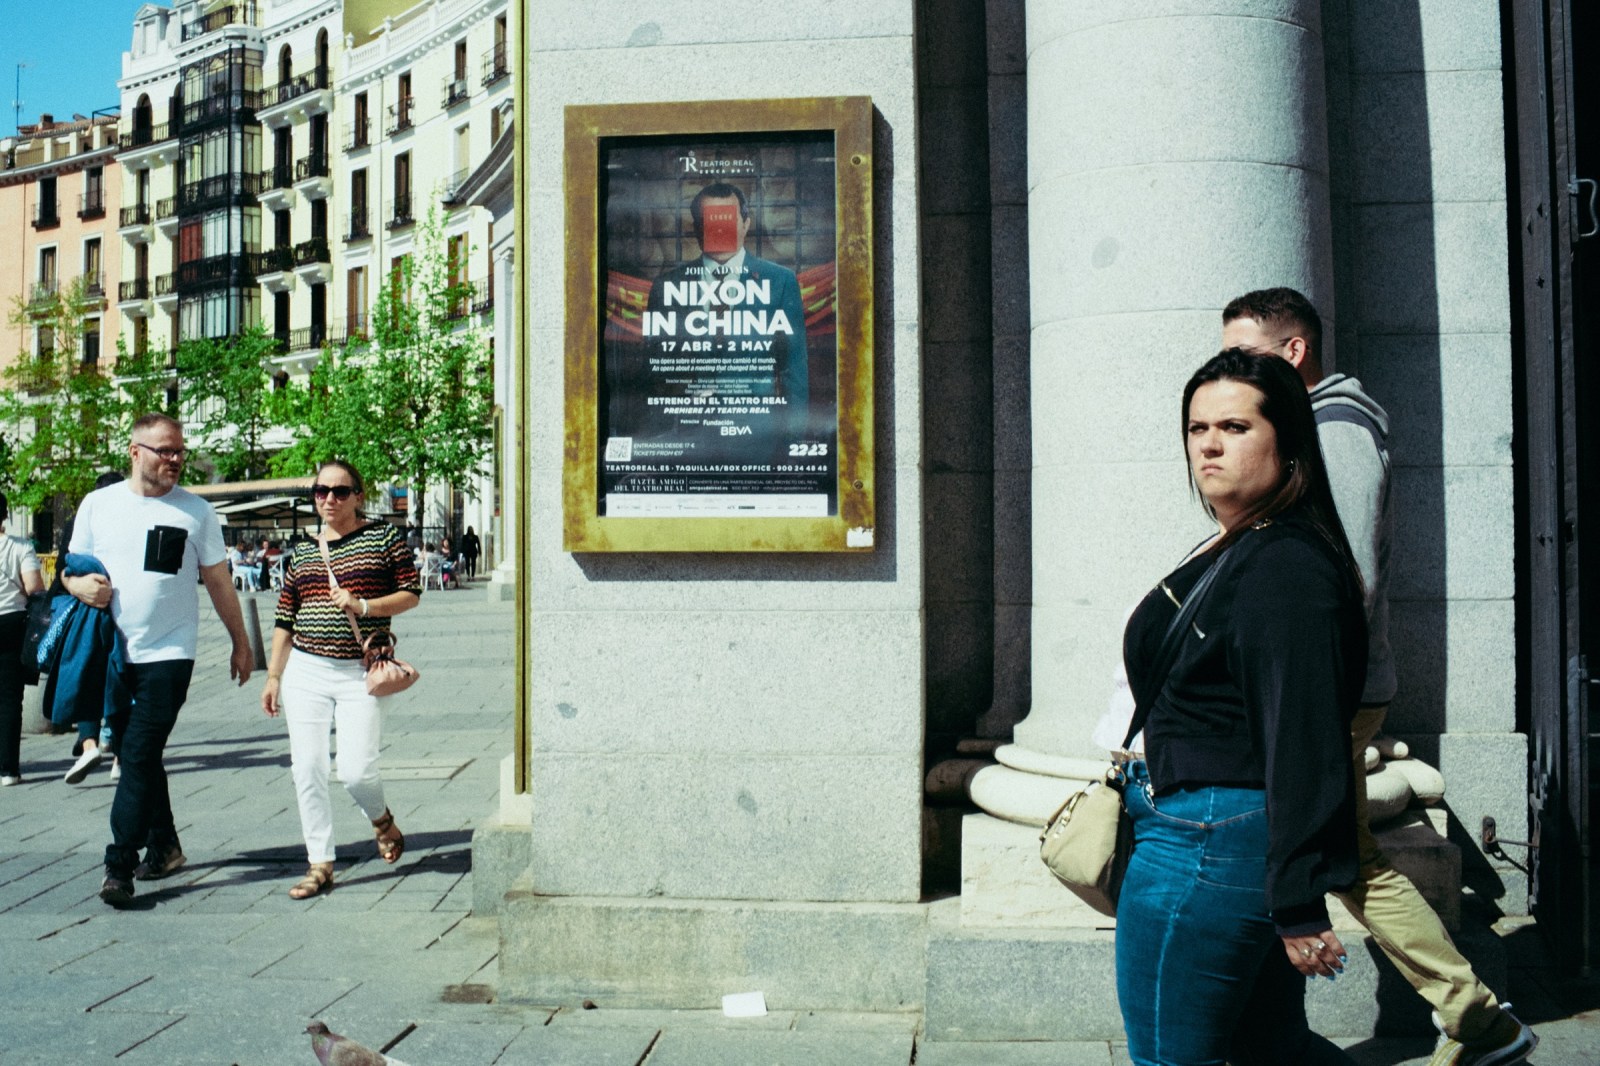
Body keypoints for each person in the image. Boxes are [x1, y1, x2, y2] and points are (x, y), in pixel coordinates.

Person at [1222, 288, 1537, 1065]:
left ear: (1293, 351)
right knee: (1330, 849)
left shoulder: (1337, 429)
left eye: (1247, 353)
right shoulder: (1316, 426)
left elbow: (1347, 574)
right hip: (1323, 683)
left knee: (1344, 854)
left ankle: (1473, 1014)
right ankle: (1464, 1016)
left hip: (1330, 686)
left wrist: (1306, 683)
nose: (1233, 371)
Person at [1115, 350, 1367, 1065]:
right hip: (1206, 831)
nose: (1209, 445)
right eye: (1197, 428)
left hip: (1207, 843)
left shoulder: (1284, 568)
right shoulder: (1245, 544)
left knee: (1172, 1056)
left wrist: (1297, 902)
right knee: (1271, 1050)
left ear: (1287, 441)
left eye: (1234, 425)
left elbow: (1305, 737)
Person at [62, 414, 253, 907]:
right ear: (134, 451)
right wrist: (77, 585)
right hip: (112, 652)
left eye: (179, 452)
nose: (174, 460)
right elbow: (70, 569)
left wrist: (240, 641)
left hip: (170, 651)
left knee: (139, 755)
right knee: (136, 751)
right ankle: (164, 844)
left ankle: (118, 864)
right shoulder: (97, 505)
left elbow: (217, 581)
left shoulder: (195, 512)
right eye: (164, 451)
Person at [261, 460, 420, 900]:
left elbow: (412, 593)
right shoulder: (304, 550)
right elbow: (285, 617)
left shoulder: (384, 537)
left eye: (340, 491)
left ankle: (381, 819)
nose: (328, 499)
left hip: (360, 671)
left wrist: (363, 605)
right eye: (320, 491)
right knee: (306, 768)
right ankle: (320, 863)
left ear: (358, 495)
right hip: (306, 669)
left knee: (354, 770)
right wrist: (274, 675)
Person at [614, 182, 809, 444]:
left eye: (727, 218)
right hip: (686, 435)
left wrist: (795, 443)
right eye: (709, 220)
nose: (719, 228)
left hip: (759, 436)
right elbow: (653, 371)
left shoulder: (780, 281)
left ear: (746, 223)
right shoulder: (667, 286)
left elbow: (793, 370)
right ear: (696, 228)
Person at [56, 471, 128, 785]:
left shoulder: (82, 518)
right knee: (119, 681)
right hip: (122, 611)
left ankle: (88, 743)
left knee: (86, 677)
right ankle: (119, 757)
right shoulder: (127, 517)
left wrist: (71, 584)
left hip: (87, 612)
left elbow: (64, 565)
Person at [0, 492, 45, 786]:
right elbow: (34, 588)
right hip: (10, 623)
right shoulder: (19, 547)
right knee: (8, 698)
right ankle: (8, 770)